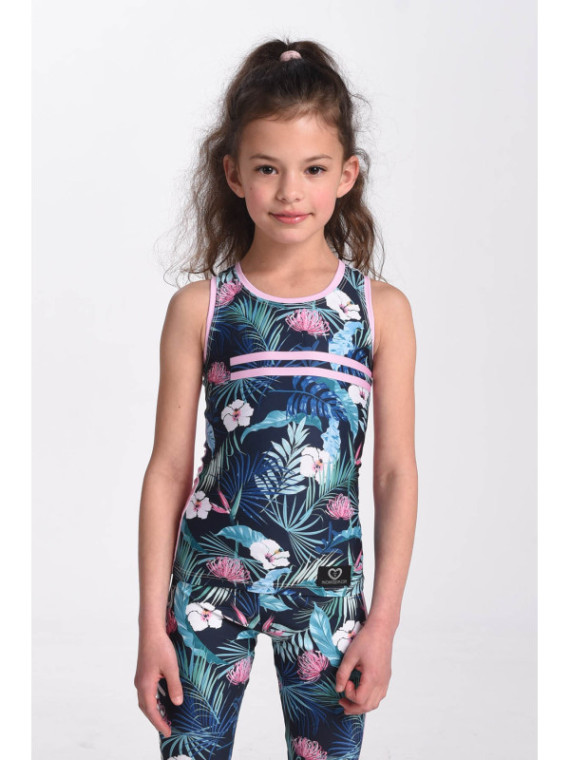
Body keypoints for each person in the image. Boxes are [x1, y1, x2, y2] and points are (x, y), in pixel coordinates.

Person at [134, 38, 418, 760]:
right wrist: (148, 626)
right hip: (207, 588)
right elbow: (168, 470)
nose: (291, 191)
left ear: (347, 174)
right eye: (267, 168)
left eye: (313, 169)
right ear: (233, 173)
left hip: (328, 592)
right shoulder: (202, 308)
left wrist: (383, 623)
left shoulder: (379, 311)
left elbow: (394, 473)